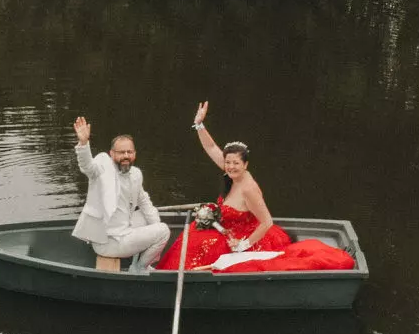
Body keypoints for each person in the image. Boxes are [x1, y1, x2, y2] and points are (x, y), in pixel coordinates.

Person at [152, 101, 356, 274]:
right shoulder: (231, 174)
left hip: (243, 237)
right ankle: (171, 272)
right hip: (227, 230)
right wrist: (199, 125)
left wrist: (243, 246)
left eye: (235, 164)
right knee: (193, 233)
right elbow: (211, 147)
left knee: (196, 243)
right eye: (228, 162)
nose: (230, 167)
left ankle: (178, 276)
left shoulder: (249, 188)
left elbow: (266, 222)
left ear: (245, 165)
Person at [69, 115, 168, 273]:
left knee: (149, 215)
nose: (126, 156)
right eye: (121, 152)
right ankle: (139, 267)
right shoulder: (101, 170)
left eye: (129, 152)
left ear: (134, 154)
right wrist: (83, 143)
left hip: (125, 231)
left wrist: (154, 230)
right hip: (108, 242)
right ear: (112, 154)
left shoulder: (136, 174)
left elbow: (145, 202)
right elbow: (87, 166)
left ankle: (143, 258)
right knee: (164, 231)